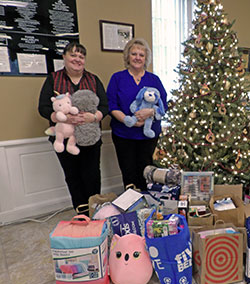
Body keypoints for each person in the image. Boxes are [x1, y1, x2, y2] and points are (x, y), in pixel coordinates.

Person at [38, 42, 108, 214]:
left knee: (92, 175)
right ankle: (82, 212)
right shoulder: (53, 79)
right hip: (64, 138)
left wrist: (94, 116)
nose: (77, 59)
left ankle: (95, 210)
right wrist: (62, 117)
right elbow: (43, 108)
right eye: (73, 55)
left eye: (81, 57)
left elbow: (105, 106)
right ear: (64, 57)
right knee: (73, 176)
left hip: (90, 138)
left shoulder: (93, 79)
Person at [107, 38, 167, 191]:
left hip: (148, 136)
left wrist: (151, 112)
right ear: (127, 56)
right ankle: (132, 207)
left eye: (141, 55)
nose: (137, 57)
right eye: (134, 54)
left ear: (146, 58)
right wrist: (130, 121)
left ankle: (148, 204)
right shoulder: (117, 78)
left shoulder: (154, 80)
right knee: (128, 172)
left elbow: (164, 105)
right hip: (123, 135)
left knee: (146, 172)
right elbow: (111, 105)